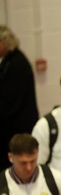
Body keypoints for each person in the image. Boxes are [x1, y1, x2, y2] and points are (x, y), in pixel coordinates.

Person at [0, 25, 39, 172]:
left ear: (4, 42)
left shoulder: (17, 63)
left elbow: (9, 98)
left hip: (19, 126)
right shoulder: (7, 61)